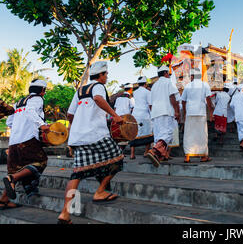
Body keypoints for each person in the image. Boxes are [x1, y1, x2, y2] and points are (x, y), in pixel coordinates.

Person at [58, 62, 125, 224]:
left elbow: (70, 114)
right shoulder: (99, 86)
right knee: (118, 159)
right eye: (106, 74)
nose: (107, 77)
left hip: (79, 137)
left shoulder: (80, 90)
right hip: (96, 135)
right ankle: (100, 191)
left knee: (77, 174)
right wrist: (115, 116)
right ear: (100, 75)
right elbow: (97, 98)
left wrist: (77, 126)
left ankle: (65, 213)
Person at [2, 80, 50, 210]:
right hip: (28, 140)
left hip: (13, 142)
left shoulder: (18, 102)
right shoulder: (37, 99)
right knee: (40, 162)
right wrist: (42, 125)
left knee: (16, 168)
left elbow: (9, 122)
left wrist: (20, 127)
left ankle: (3, 200)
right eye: (44, 90)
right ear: (42, 90)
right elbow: (30, 111)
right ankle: (13, 178)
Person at [146, 65, 180, 167]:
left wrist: (153, 113)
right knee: (167, 133)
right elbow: (172, 96)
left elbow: (150, 104)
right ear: (165, 73)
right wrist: (176, 111)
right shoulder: (168, 82)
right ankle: (154, 150)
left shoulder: (154, 86)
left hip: (155, 113)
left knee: (159, 135)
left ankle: (159, 155)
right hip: (166, 111)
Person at [181, 68, 214, 163]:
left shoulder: (188, 86)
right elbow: (208, 100)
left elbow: (183, 101)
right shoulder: (204, 85)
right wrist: (211, 113)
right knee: (202, 134)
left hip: (190, 112)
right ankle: (203, 156)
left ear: (192, 76)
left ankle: (187, 156)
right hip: (201, 112)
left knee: (188, 134)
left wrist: (185, 112)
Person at [129, 76, 153, 160]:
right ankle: (146, 152)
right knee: (148, 133)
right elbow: (150, 105)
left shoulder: (135, 92)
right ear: (145, 84)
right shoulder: (147, 92)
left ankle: (132, 154)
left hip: (136, 114)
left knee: (135, 133)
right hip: (145, 115)